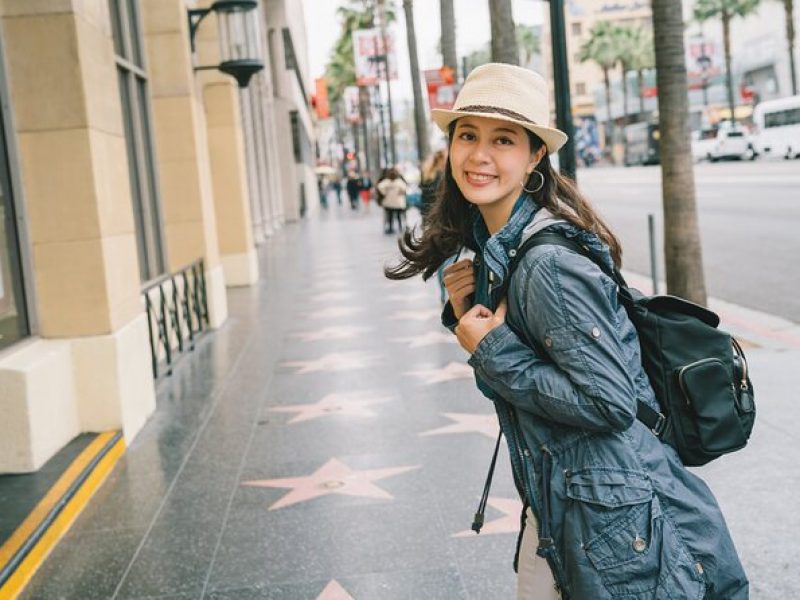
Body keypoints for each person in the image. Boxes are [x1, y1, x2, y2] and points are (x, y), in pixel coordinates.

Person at [385, 63, 748, 599]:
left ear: (535, 156)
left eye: (503, 140)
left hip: (616, 523)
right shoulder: (502, 249)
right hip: (569, 501)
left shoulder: (546, 262)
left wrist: (491, 350)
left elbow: (608, 403)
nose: (478, 155)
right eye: (467, 135)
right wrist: (470, 313)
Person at [419, 148, 447, 224]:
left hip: (425, 209)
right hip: (436, 211)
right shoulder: (441, 175)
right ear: (441, 160)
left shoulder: (426, 173)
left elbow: (421, 188)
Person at [377, 167, 407, 234]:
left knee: (390, 216)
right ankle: (400, 227)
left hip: (388, 202)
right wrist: (400, 192)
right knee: (399, 216)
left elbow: (380, 187)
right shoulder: (399, 182)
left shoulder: (386, 182)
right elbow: (404, 189)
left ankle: (391, 228)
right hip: (398, 203)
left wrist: (384, 193)